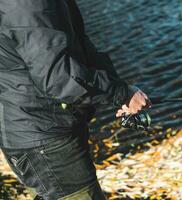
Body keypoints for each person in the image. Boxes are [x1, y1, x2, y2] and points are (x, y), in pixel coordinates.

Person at [0, 0, 151, 199]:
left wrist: (118, 92)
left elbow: (76, 42)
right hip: (43, 137)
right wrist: (120, 93)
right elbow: (58, 76)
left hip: (35, 128)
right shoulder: (27, 4)